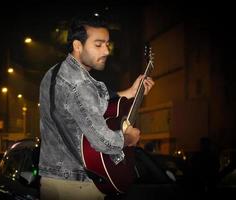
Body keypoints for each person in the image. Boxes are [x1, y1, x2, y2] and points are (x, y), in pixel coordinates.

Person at [38, 13, 155, 200]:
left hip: (51, 179)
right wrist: (127, 139)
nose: (106, 51)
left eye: (107, 44)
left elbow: (95, 101)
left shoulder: (52, 75)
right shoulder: (80, 84)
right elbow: (104, 141)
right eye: (98, 45)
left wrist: (131, 92)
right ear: (78, 45)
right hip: (77, 186)